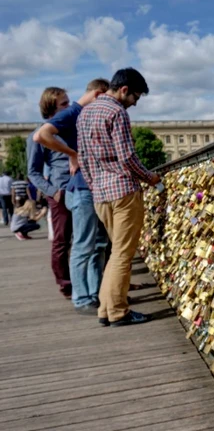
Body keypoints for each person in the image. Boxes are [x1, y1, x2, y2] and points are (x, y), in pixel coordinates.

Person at [77, 68, 161, 327]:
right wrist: (149, 178)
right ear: (124, 90)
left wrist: (94, 187)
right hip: (123, 192)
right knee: (123, 254)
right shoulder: (117, 112)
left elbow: (83, 159)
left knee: (116, 253)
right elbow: (127, 157)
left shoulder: (85, 113)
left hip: (101, 195)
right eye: (136, 97)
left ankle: (105, 309)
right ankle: (118, 312)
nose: (135, 103)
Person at [33, 79, 110, 314]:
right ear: (98, 95)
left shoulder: (79, 114)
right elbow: (40, 139)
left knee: (95, 244)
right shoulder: (72, 114)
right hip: (73, 189)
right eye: (62, 103)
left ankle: (93, 293)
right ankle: (79, 295)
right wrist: (73, 155)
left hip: (86, 187)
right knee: (78, 244)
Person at [28, 87, 74, 298]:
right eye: (64, 104)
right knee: (62, 240)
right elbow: (33, 172)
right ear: (51, 109)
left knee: (90, 239)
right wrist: (52, 192)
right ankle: (66, 285)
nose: (69, 106)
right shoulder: (38, 135)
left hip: (83, 188)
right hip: (62, 191)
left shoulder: (73, 128)